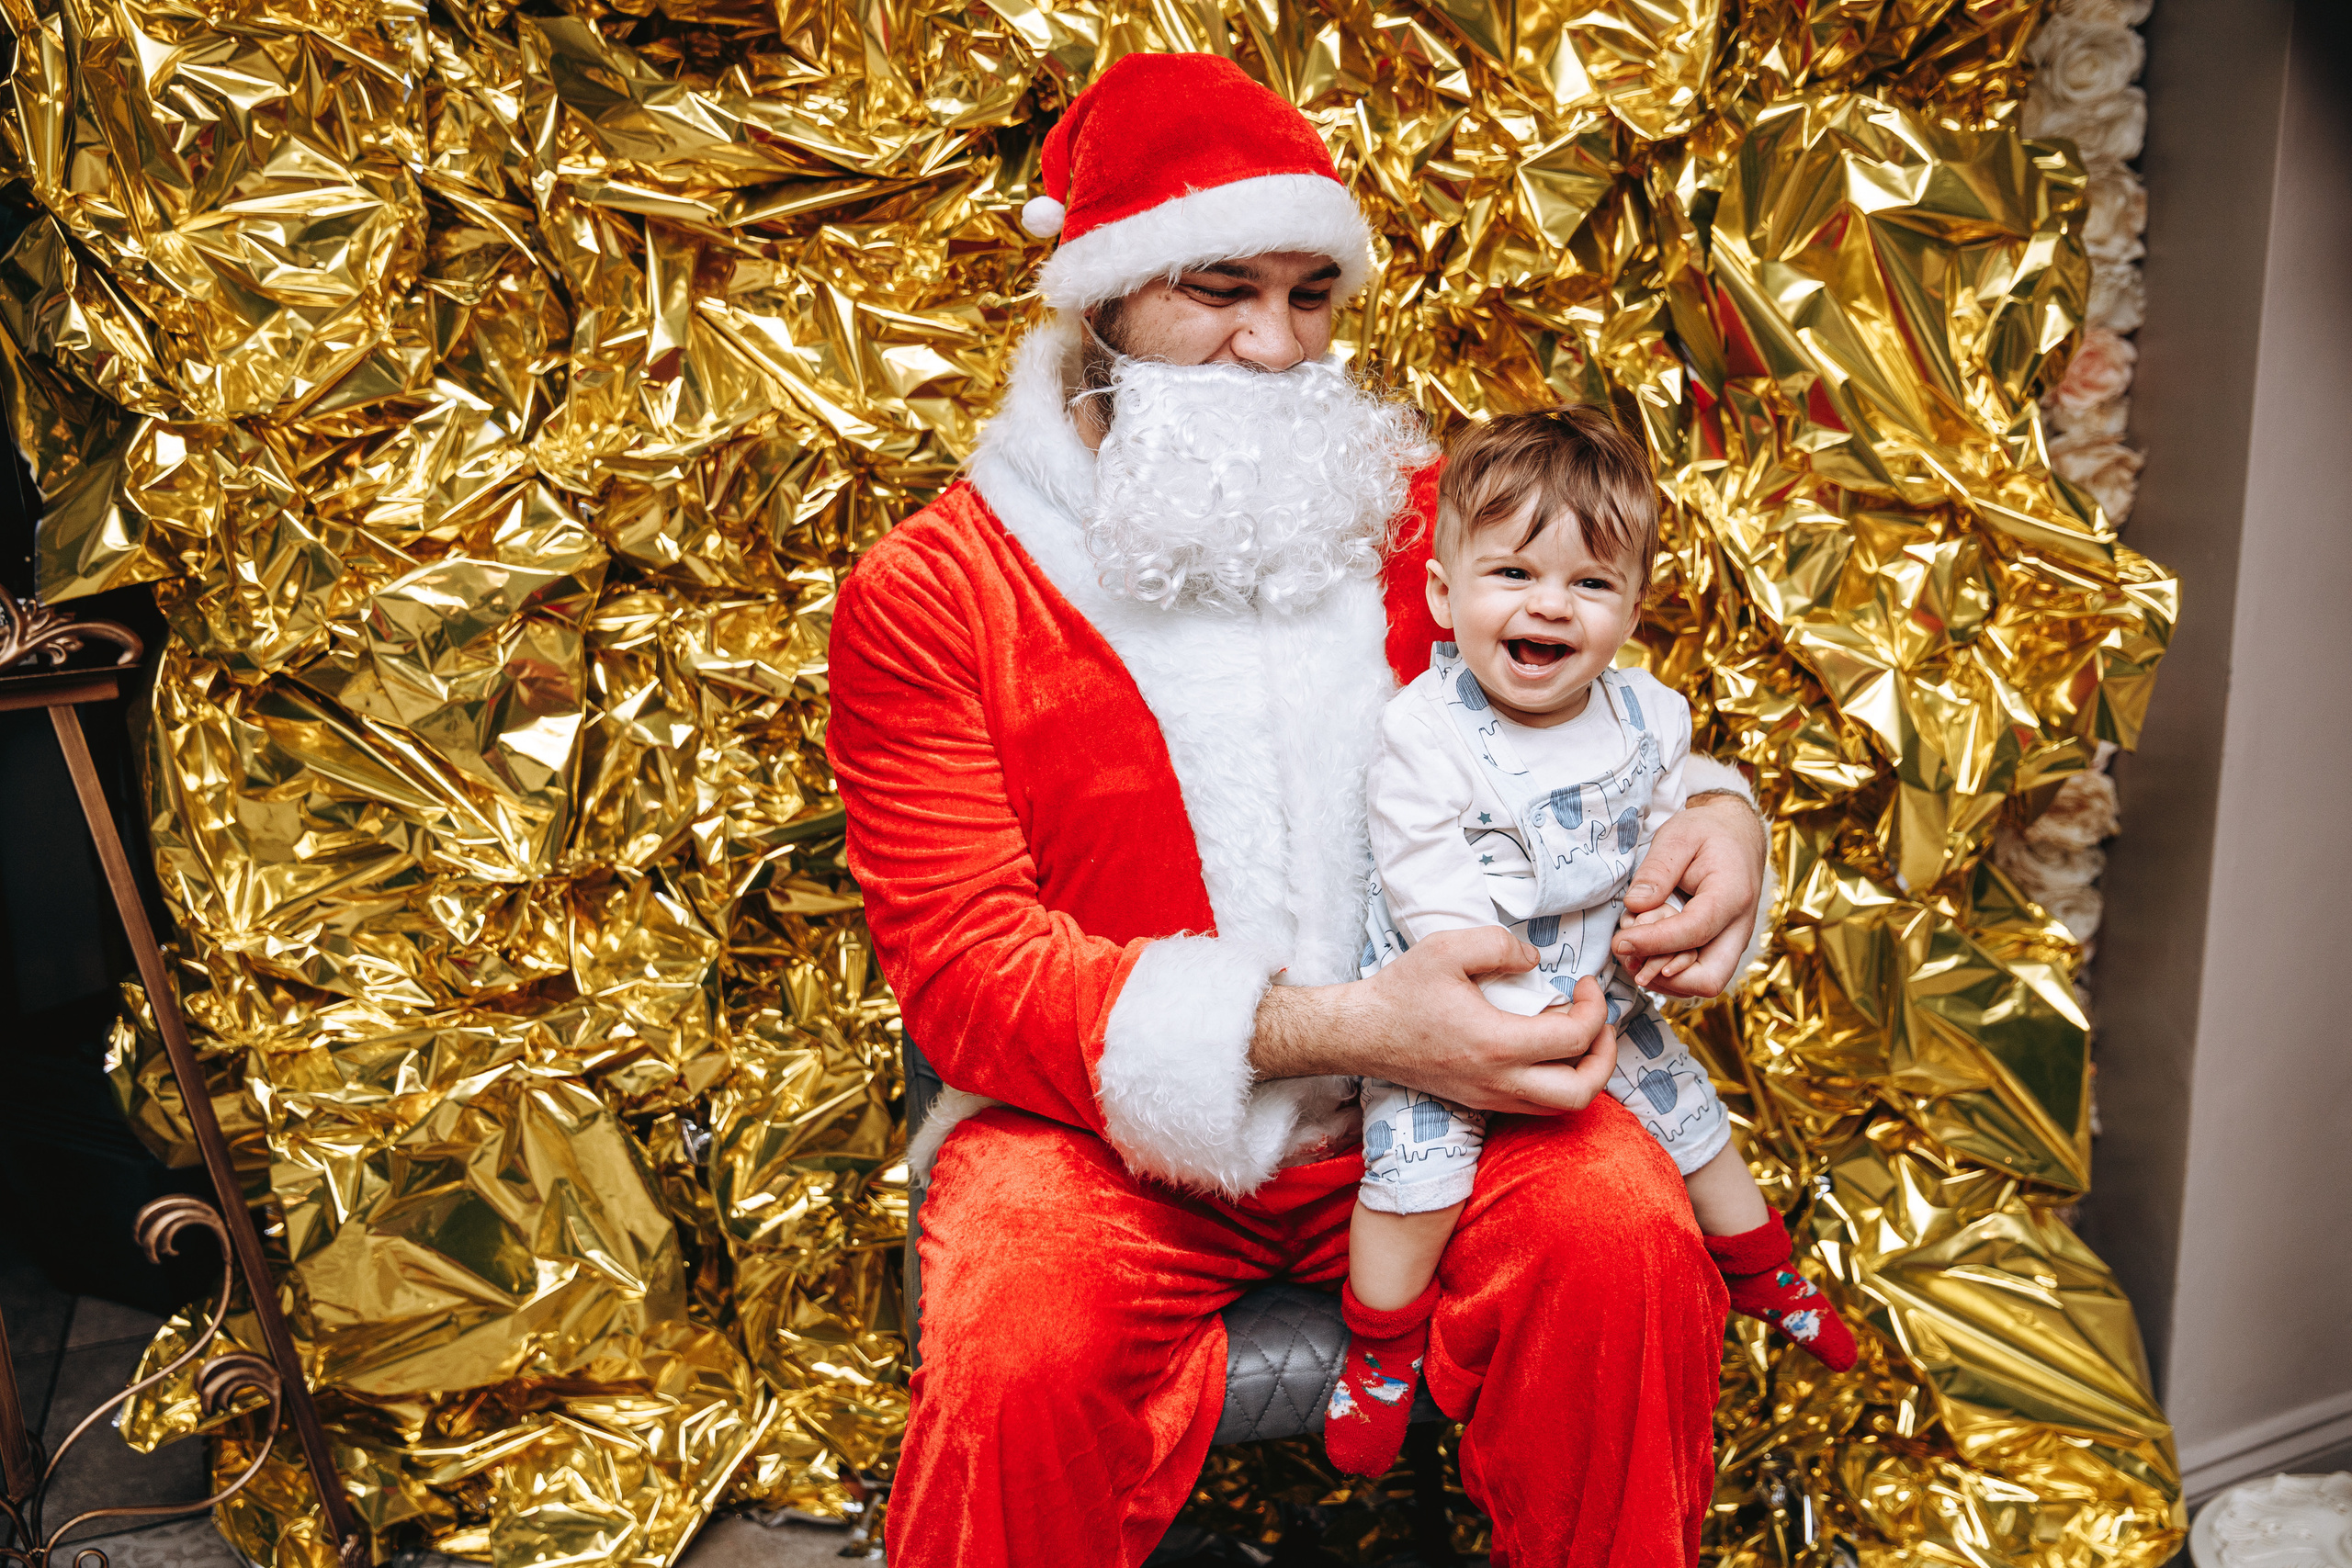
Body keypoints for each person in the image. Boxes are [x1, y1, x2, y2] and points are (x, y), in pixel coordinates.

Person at [826, 51, 1780, 1566]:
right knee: (1019, 1326)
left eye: (1310, 295)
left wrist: (1718, 822)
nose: (1277, 348)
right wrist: (1342, 1028)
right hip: (1098, 1137)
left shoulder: (1417, 515)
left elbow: (1585, 705)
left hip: (1448, 1105)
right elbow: (966, 972)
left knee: (1626, 1238)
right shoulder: (939, 593)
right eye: (1220, 290)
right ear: (1105, 297)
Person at [1325, 409, 1857, 1479]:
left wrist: (1660, 920)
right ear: (1442, 596)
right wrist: (1499, 1011)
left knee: (1695, 1129)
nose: (1549, 606)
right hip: (1454, 1008)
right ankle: (1380, 1351)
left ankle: (1766, 1271)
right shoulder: (1422, 733)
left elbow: (1667, 827)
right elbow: (1420, 875)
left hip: (1603, 998)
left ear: (1629, 611)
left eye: (1590, 585)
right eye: (1512, 574)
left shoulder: (1646, 717)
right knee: (1413, 1178)